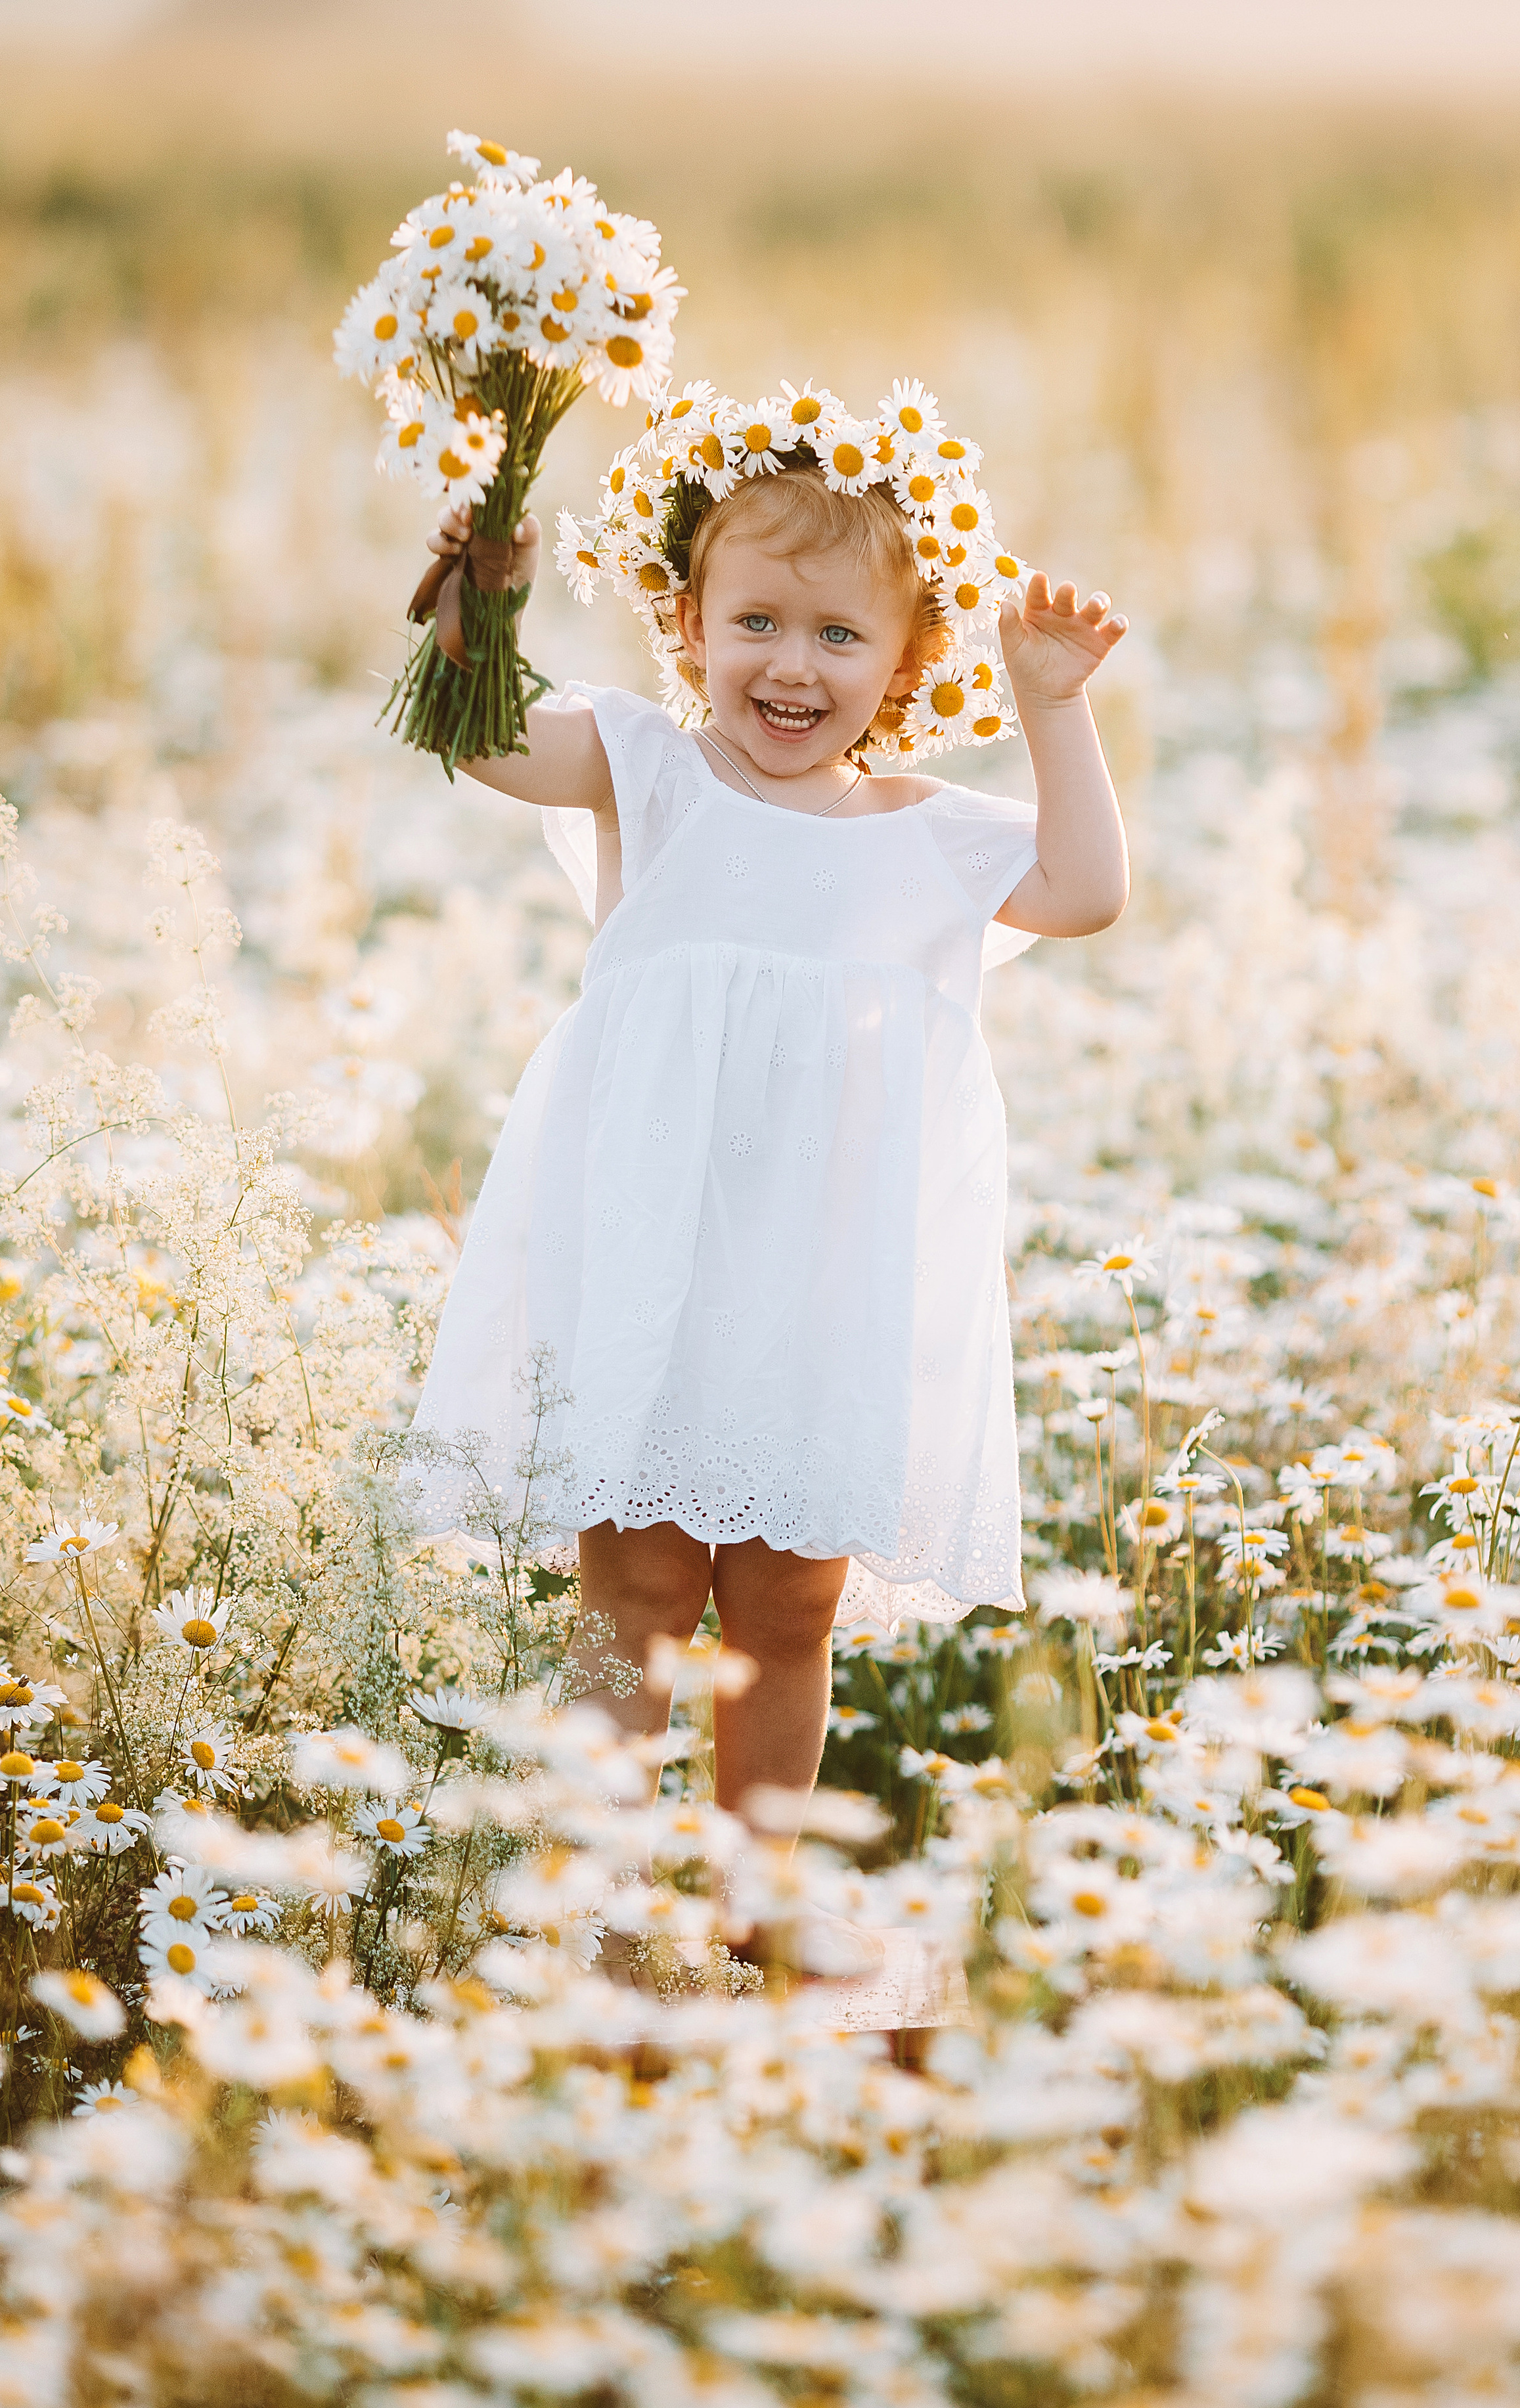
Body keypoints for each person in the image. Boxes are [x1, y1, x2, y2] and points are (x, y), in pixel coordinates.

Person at [407, 388, 1127, 1837]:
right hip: (653, 1256)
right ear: (685, 623)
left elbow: (1084, 891)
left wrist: (1053, 705)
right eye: (755, 624)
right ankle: (601, 1914)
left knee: (792, 1602)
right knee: (640, 1587)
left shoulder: (923, 834)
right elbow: (476, 740)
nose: (790, 667)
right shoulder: (652, 771)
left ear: (908, 658)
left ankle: (761, 1896)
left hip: (823, 1281)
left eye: (838, 636)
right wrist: (480, 603)